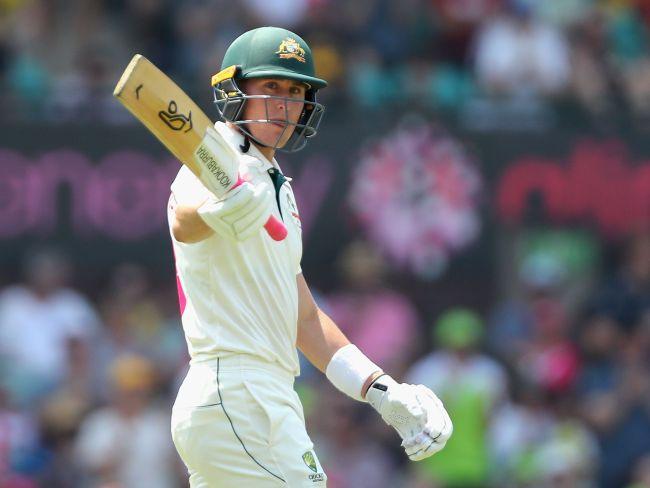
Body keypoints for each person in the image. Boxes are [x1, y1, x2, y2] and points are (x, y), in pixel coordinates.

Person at [167, 26, 452, 487]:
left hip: (263, 395)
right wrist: (220, 211)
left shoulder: (275, 183)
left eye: (295, 92)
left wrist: (382, 391)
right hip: (237, 390)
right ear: (236, 91)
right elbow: (184, 222)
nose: (283, 105)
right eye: (271, 88)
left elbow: (303, 319)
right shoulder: (217, 154)